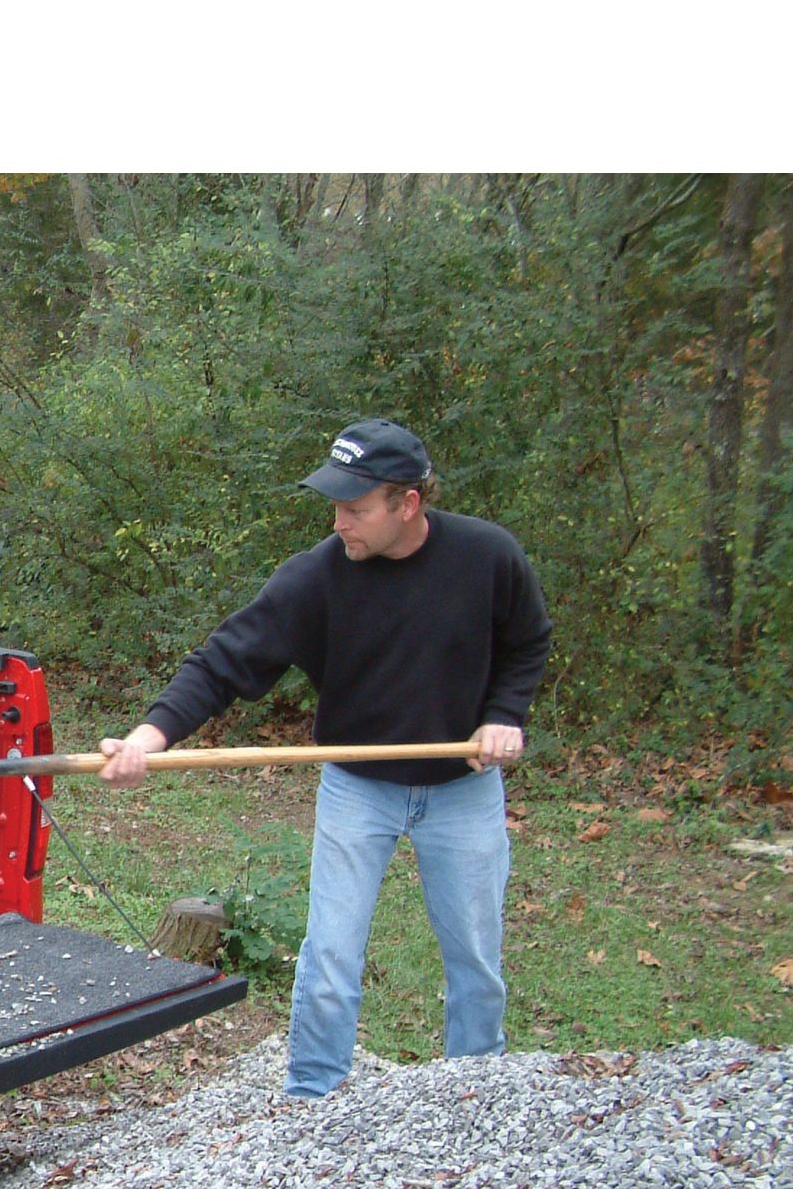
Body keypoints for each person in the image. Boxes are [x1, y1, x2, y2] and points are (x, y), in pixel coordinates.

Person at [99, 418, 552, 1098]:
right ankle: (313, 1095)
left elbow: (527, 641)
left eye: (356, 508)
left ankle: (474, 1091)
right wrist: (146, 738)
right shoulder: (317, 576)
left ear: (408, 503)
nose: (340, 523)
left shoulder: (487, 557)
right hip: (358, 789)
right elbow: (222, 662)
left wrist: (503, 715)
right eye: (335, 506)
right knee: (331, 954)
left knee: (475, 961)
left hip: (463, 787)